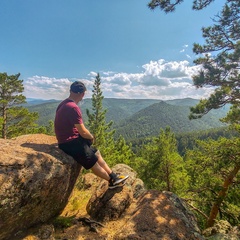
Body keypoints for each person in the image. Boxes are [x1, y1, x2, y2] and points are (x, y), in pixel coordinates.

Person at [54, 81, 128, 189]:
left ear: (70, 91)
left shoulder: (64, 103)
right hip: (69, 142)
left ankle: (113, 175)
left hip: (69, 140)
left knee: (96, 152)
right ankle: (111, 181)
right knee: (92, 161)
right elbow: (83, 131)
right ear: (82, 94)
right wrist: (91, 137)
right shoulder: (73, 107)